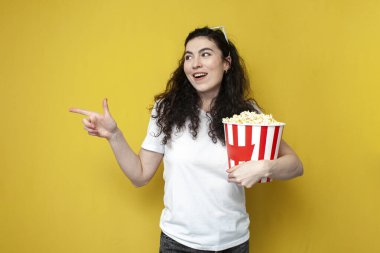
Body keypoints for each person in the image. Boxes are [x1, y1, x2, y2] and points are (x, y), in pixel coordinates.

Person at [69, 26, 303, 253]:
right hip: (178, 244)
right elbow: (140, 175)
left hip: (234, 243)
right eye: (189, 56)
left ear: (226, 63)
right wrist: (114, 135)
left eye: (206, 54)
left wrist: (264, 167)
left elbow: (295, 165)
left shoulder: (247, 114)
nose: (195, 63)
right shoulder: (167, 110)